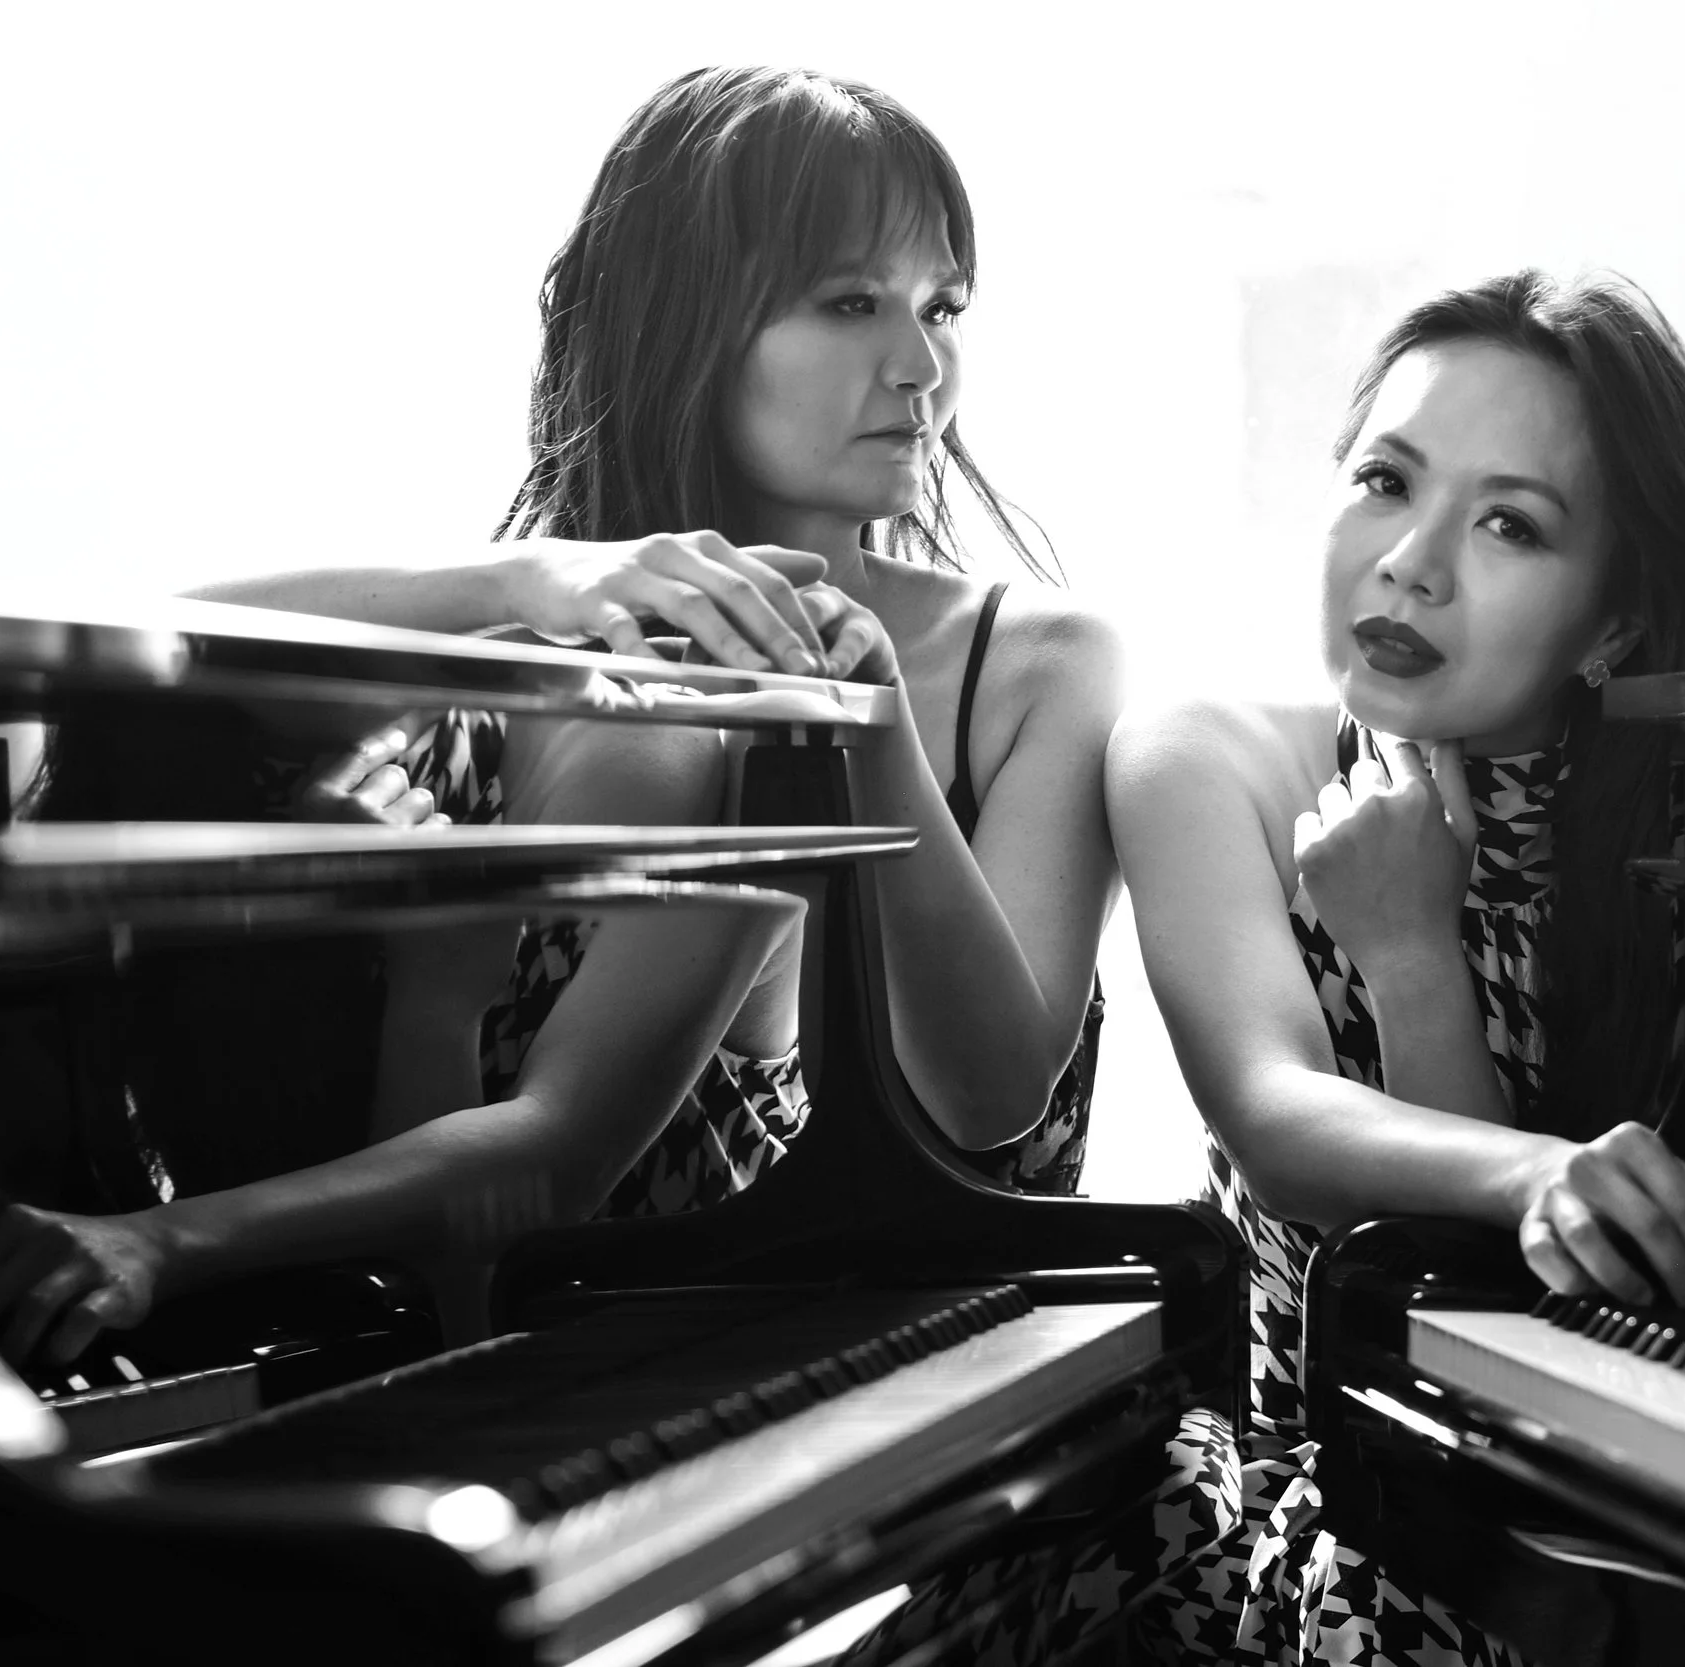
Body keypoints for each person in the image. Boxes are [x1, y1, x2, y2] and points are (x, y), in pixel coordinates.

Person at [1106, 270, 1685, 1663]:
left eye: (1510, 524)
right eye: (1383, 479)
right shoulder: (1213, 756)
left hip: (1663, 1459)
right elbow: (1280, 1123)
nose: (1410, 561)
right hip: (1333, 1468)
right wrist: (1415, 957)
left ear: (1620, 627)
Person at [186, 65, 1120, 1197]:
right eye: (850, 301)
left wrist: (861, 719)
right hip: (541, 1332)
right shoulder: (535, 660)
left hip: (974, 1345)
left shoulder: (1034, 664)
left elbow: (988, 1099)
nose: (922, 368)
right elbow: (165, 658)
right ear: (680, 319)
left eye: (943, 308)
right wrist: (532, 572)